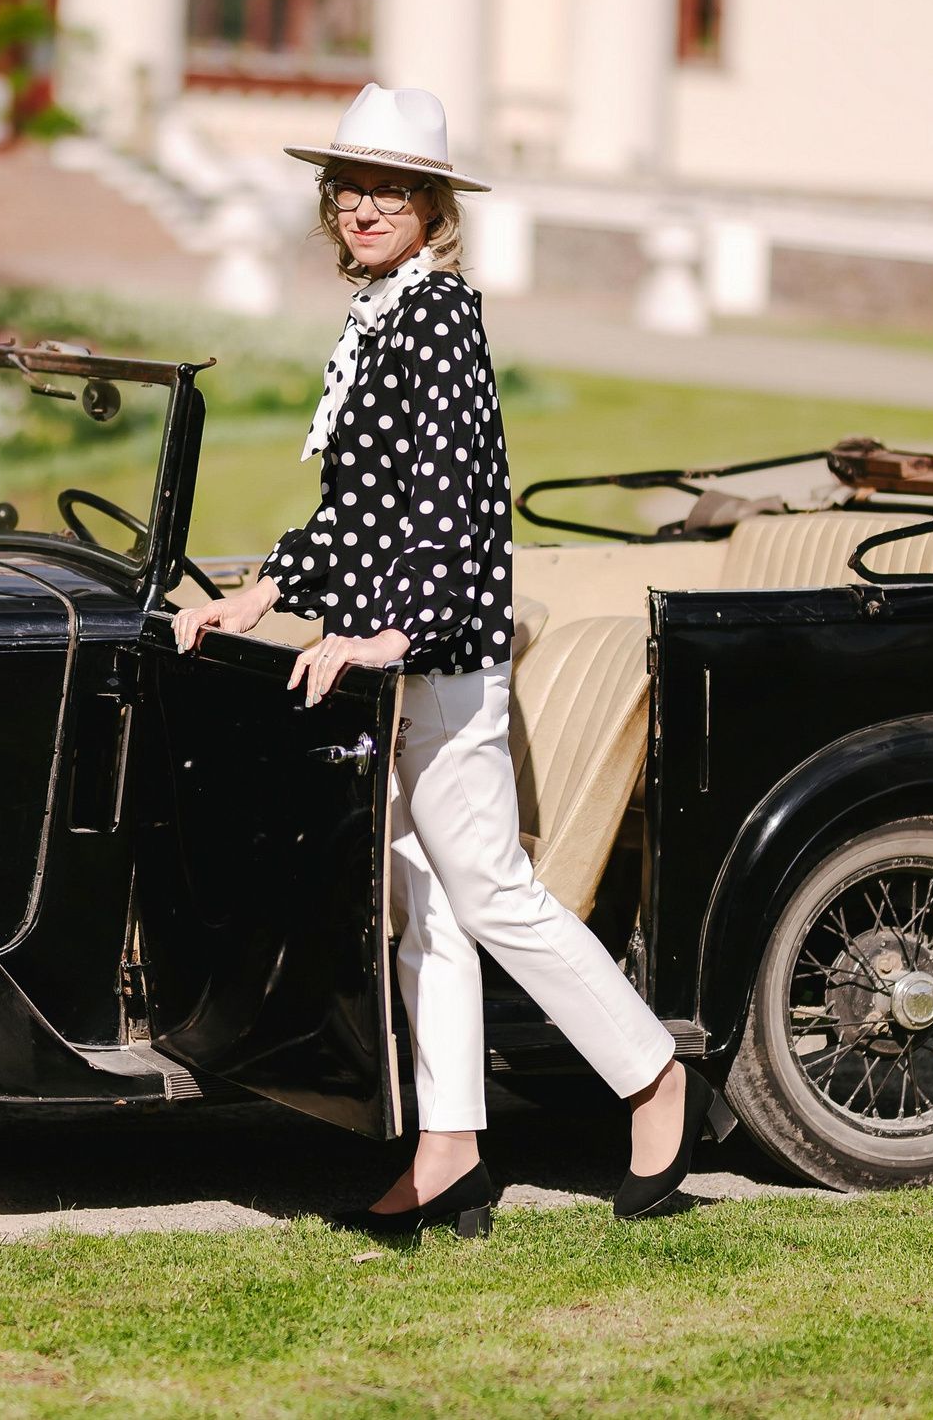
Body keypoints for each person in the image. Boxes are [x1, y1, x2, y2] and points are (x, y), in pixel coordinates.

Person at [172, 84, 712, 1234]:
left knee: (488, 889)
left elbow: (454, 510)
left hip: (440, 658)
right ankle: (451, 1143)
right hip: (392, 658)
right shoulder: (380, 312)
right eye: (350, 187)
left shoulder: (441, 317)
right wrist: (257, 593)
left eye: (391, 189)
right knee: (428, 908)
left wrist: (390, 633)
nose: (365, 206)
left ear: (431, 205)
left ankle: (652, 1072)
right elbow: (356, 514)